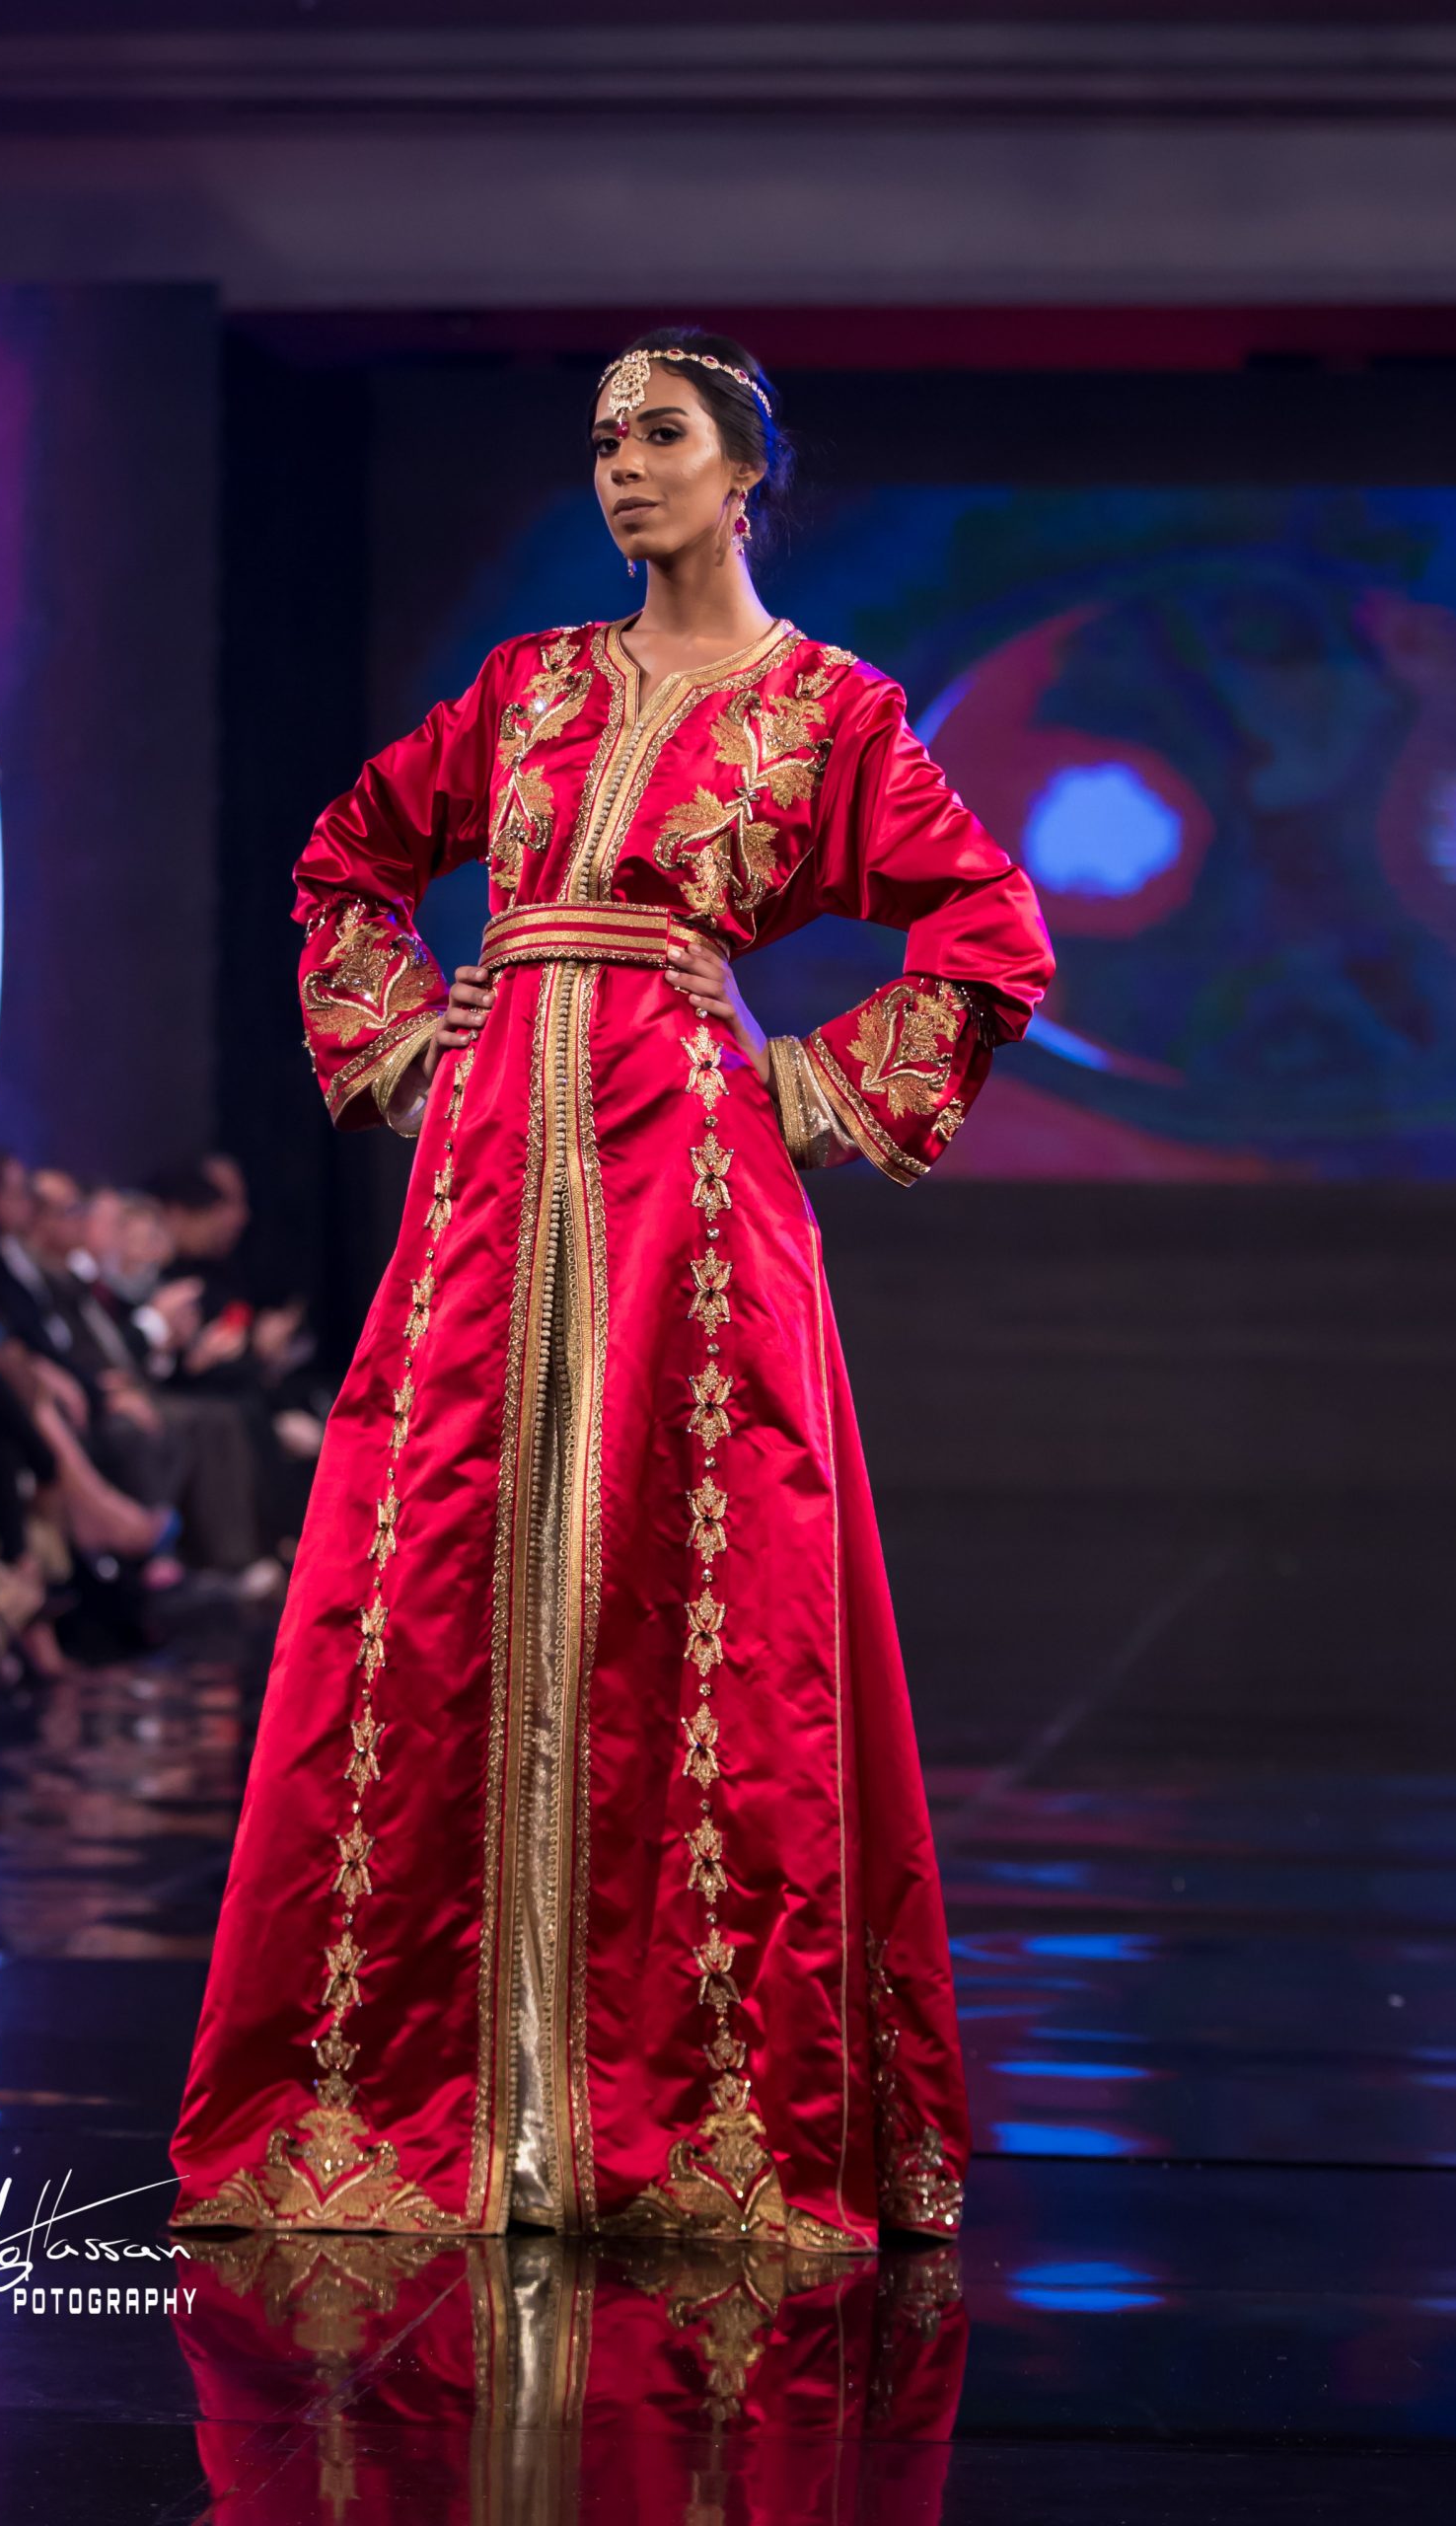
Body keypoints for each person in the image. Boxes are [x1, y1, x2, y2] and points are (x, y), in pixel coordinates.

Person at [170, 328, 1055, 2249]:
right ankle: (418, 2093)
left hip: (696, 1182)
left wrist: (808, 1086)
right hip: (491, 1175)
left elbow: (990, 923)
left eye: (660, 434)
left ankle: (682, 2108)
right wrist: (402, 1037)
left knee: (697, 1588)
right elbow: (348, 857)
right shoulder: (531, 686)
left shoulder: (830, 709)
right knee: (440, 1574)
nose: (622, 467)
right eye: (599, 440)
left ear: (748, 473)